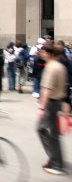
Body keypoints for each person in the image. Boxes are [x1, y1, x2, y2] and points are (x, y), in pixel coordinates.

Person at [37, 44, 67, 175]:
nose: (41, 54)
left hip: (50, 103)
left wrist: (41, 107)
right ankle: (57, 161)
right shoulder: (61, 66)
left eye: (44, 52)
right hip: (58, 102)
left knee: (42, 130)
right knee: (53, 134)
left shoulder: (51, 67)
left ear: (51, 54)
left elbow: (47, 89)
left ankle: (56, 162)